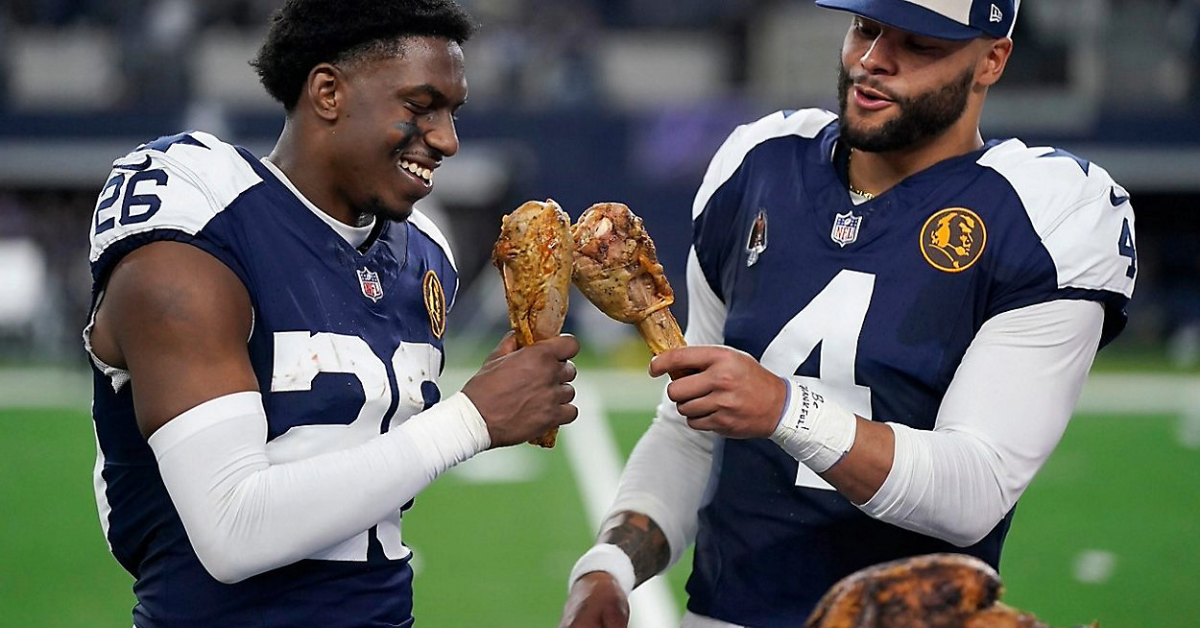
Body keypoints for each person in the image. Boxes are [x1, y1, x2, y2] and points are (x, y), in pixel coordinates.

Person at [558, 1, 1137, 627]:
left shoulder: (1043, 214)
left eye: (919, 44)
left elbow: (978, 488)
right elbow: (687, 428)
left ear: (991, 59)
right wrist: (608, 569)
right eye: (866, 28)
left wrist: (784, 409)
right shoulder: (759, 162)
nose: (872, 60)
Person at [82, 1, 580, 626]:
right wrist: (471, 420)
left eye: (453, 112)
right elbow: (233, 530)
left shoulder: (424, 253)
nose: (448, 139)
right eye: (421, 106)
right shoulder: (200, 232)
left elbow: (362, 483)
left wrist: (484, 402)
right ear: (327, 92)